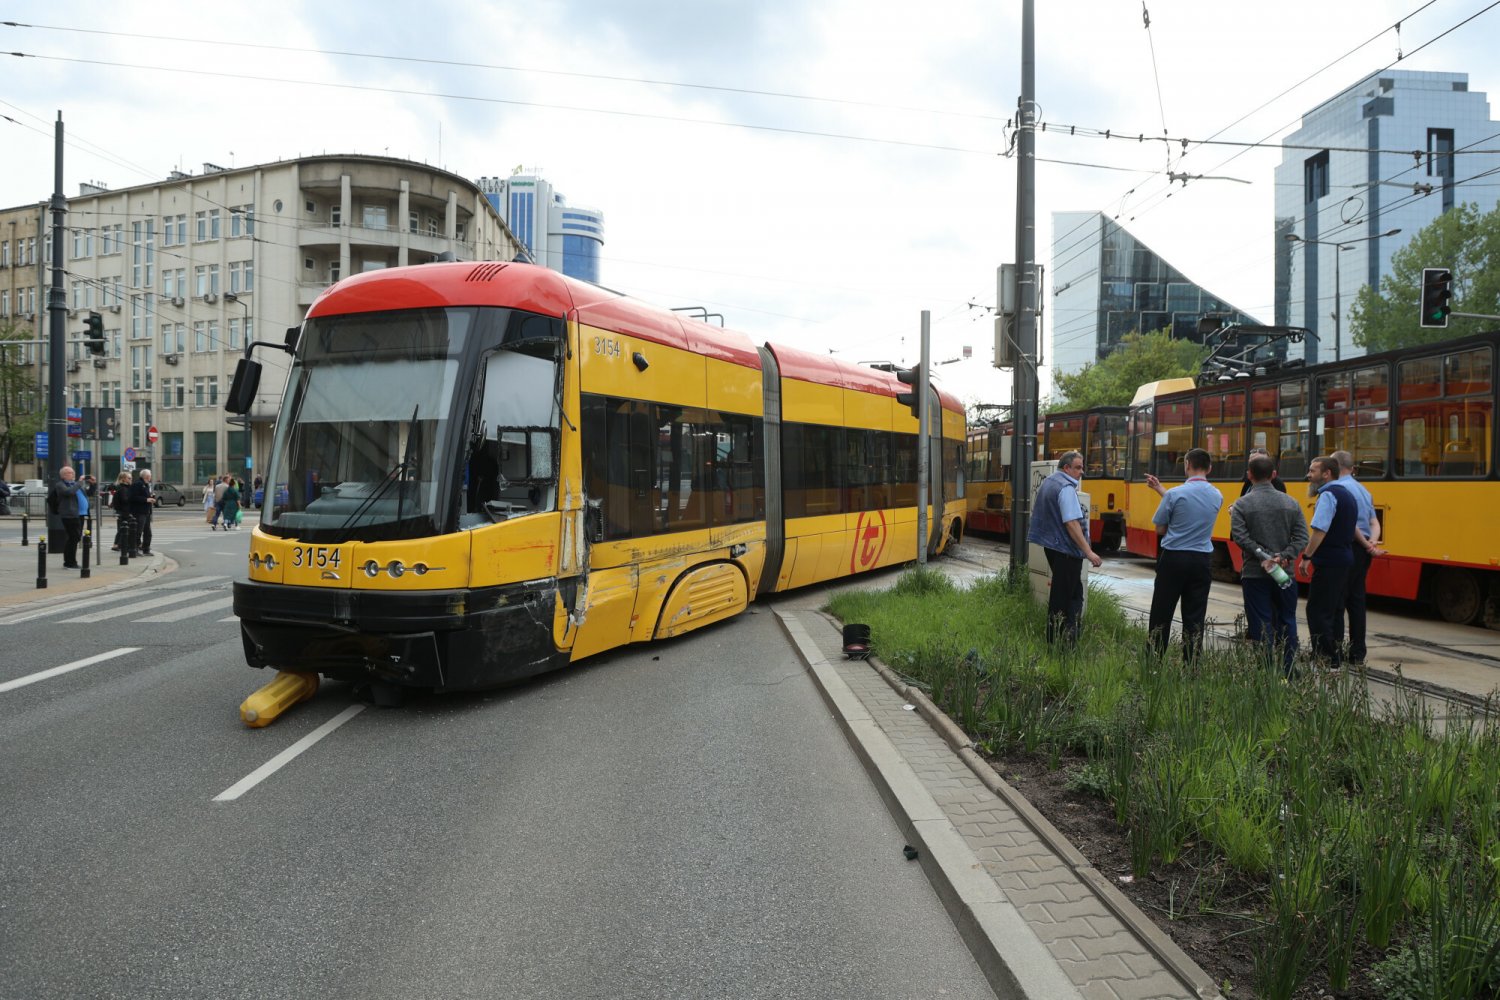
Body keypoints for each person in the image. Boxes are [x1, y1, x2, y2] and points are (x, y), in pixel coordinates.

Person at [1230, 455, 1309, 676]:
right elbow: (1302, 536)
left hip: (1255, 574)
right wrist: (1283, 557)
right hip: (1285, 574)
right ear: (1274, 475)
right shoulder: (1291, 502)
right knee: (1287, 619)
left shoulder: (1242, 504)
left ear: (1249, 475)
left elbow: (1240, 537)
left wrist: (1263, 556)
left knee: (1261, 622)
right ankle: (1289, 669)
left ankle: (1265, 672)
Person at [1144, 448, 1222, 662]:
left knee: (1162, 611)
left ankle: (1154, 660)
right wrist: (1161, 489)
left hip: (1174, 559)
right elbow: (1192, 507)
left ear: (1186, 464)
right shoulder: (1217, 495)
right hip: (1202, 561)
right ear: (1210, 468)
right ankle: (1192, 664)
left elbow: (1160, 528)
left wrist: (1175, 527)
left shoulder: (1175, 494)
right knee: (1195, 616)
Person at [1027, 451, 1104, 647]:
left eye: (1082, 467)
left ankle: (1058, 640)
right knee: (1069, 598)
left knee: (1066, 593)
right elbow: (1071, 523)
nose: (1081, 472)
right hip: (1067, 552)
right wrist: (1088, 552)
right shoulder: (1066, 489)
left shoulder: (1049, 482)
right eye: (1078, 467)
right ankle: (1063, 643)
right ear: (1066, 468)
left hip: (1052, 547)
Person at [1298, 456, 1359, 670]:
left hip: (1330, 561)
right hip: (1345, 559)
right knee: (1335, 610)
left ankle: (1325, 657)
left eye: (1313, 471)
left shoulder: (1328, 495)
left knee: (1317, 610)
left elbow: (1319, 530)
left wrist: (1307, 557)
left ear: (1327, 474)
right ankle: (1335, 655)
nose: (1309, 475)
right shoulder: (1347, 495)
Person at [1327, 450, 1385, 667]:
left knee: (1338, 600)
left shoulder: (1339, 489)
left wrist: (1363, 544)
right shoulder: (1363, 490)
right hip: (1363, 551)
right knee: (1357, 600)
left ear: (1333, 466)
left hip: (1348, 547)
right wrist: (1371, 544)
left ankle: (1336, 649)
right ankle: (1358, 652)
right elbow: (1374, 522)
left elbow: (1348, 525)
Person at [47, 466, 87, 568]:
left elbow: (87, 493)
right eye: (69, 473)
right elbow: (69, 492)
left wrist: (93, 484)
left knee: (75, 538)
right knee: (73, 538)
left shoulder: (74, 484)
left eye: (73, 472)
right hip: (69, 515)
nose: (72, 474)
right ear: (63, 475)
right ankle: (69, 562)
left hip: (79, 514)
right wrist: (79, 482)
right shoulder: (60, 485)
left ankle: (70, 561)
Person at [128, 469, 158, 556]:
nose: (151, 477)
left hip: (146, 512)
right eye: (150, 475)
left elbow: (143, 496)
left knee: (147, 532)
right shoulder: (138, 484)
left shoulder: (145, 485)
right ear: (147, 476)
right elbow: (133, 497)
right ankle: (135, 549)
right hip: (139, 512)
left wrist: (150, 497)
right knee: (138, 531)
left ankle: (146, 549)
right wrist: (146, 499)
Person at [111, 471, 134, 551]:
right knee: (123, 528)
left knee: (122, 528)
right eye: (129, 478)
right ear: (123, 479)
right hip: (124, 512)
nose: (131, 479)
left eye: (131, 478)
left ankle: (118, 544)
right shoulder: (123, 488)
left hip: (123, 511)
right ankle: (116, 544)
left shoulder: (123, 487)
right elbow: (125, 500)